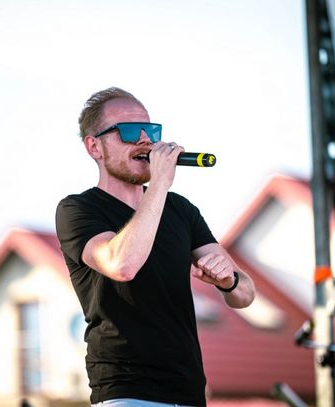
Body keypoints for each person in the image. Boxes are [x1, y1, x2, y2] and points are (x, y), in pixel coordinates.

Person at [55, 87, 255, 407]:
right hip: (126, 391)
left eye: (151, 130)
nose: (145, 140)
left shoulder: (180, 210)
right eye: (130, 131)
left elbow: (245, 295)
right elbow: (122, 265)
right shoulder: (78, 209)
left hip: (188, 391)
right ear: (94, 146)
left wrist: (228, 281)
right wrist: (160, 182)